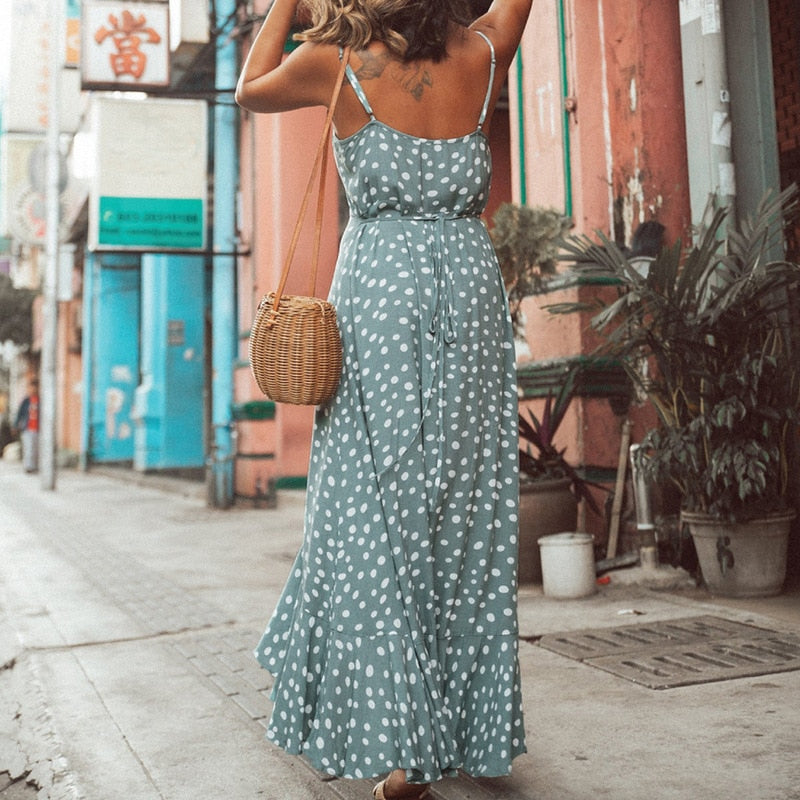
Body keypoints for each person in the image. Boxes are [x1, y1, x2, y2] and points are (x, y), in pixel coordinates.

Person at [236, 0, 533, 796]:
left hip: (380, 301)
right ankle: (465, 728)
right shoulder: (483, 52)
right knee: (465, 511)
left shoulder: (339, 60)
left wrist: (285, 4)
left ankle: (401, 743)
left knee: (372, 507)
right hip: (470, 298)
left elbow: (249, 88)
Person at [14, 378, 39, 473]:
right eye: (32, 388)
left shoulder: (40, 400)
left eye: (35, 388)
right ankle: (28, 467)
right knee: (28, 448)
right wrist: (16, 425)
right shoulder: (26, 401)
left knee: (36, 449)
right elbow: (19, 413)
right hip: (27, 428)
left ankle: (35, 466)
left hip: (38, 428)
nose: (33, 390)